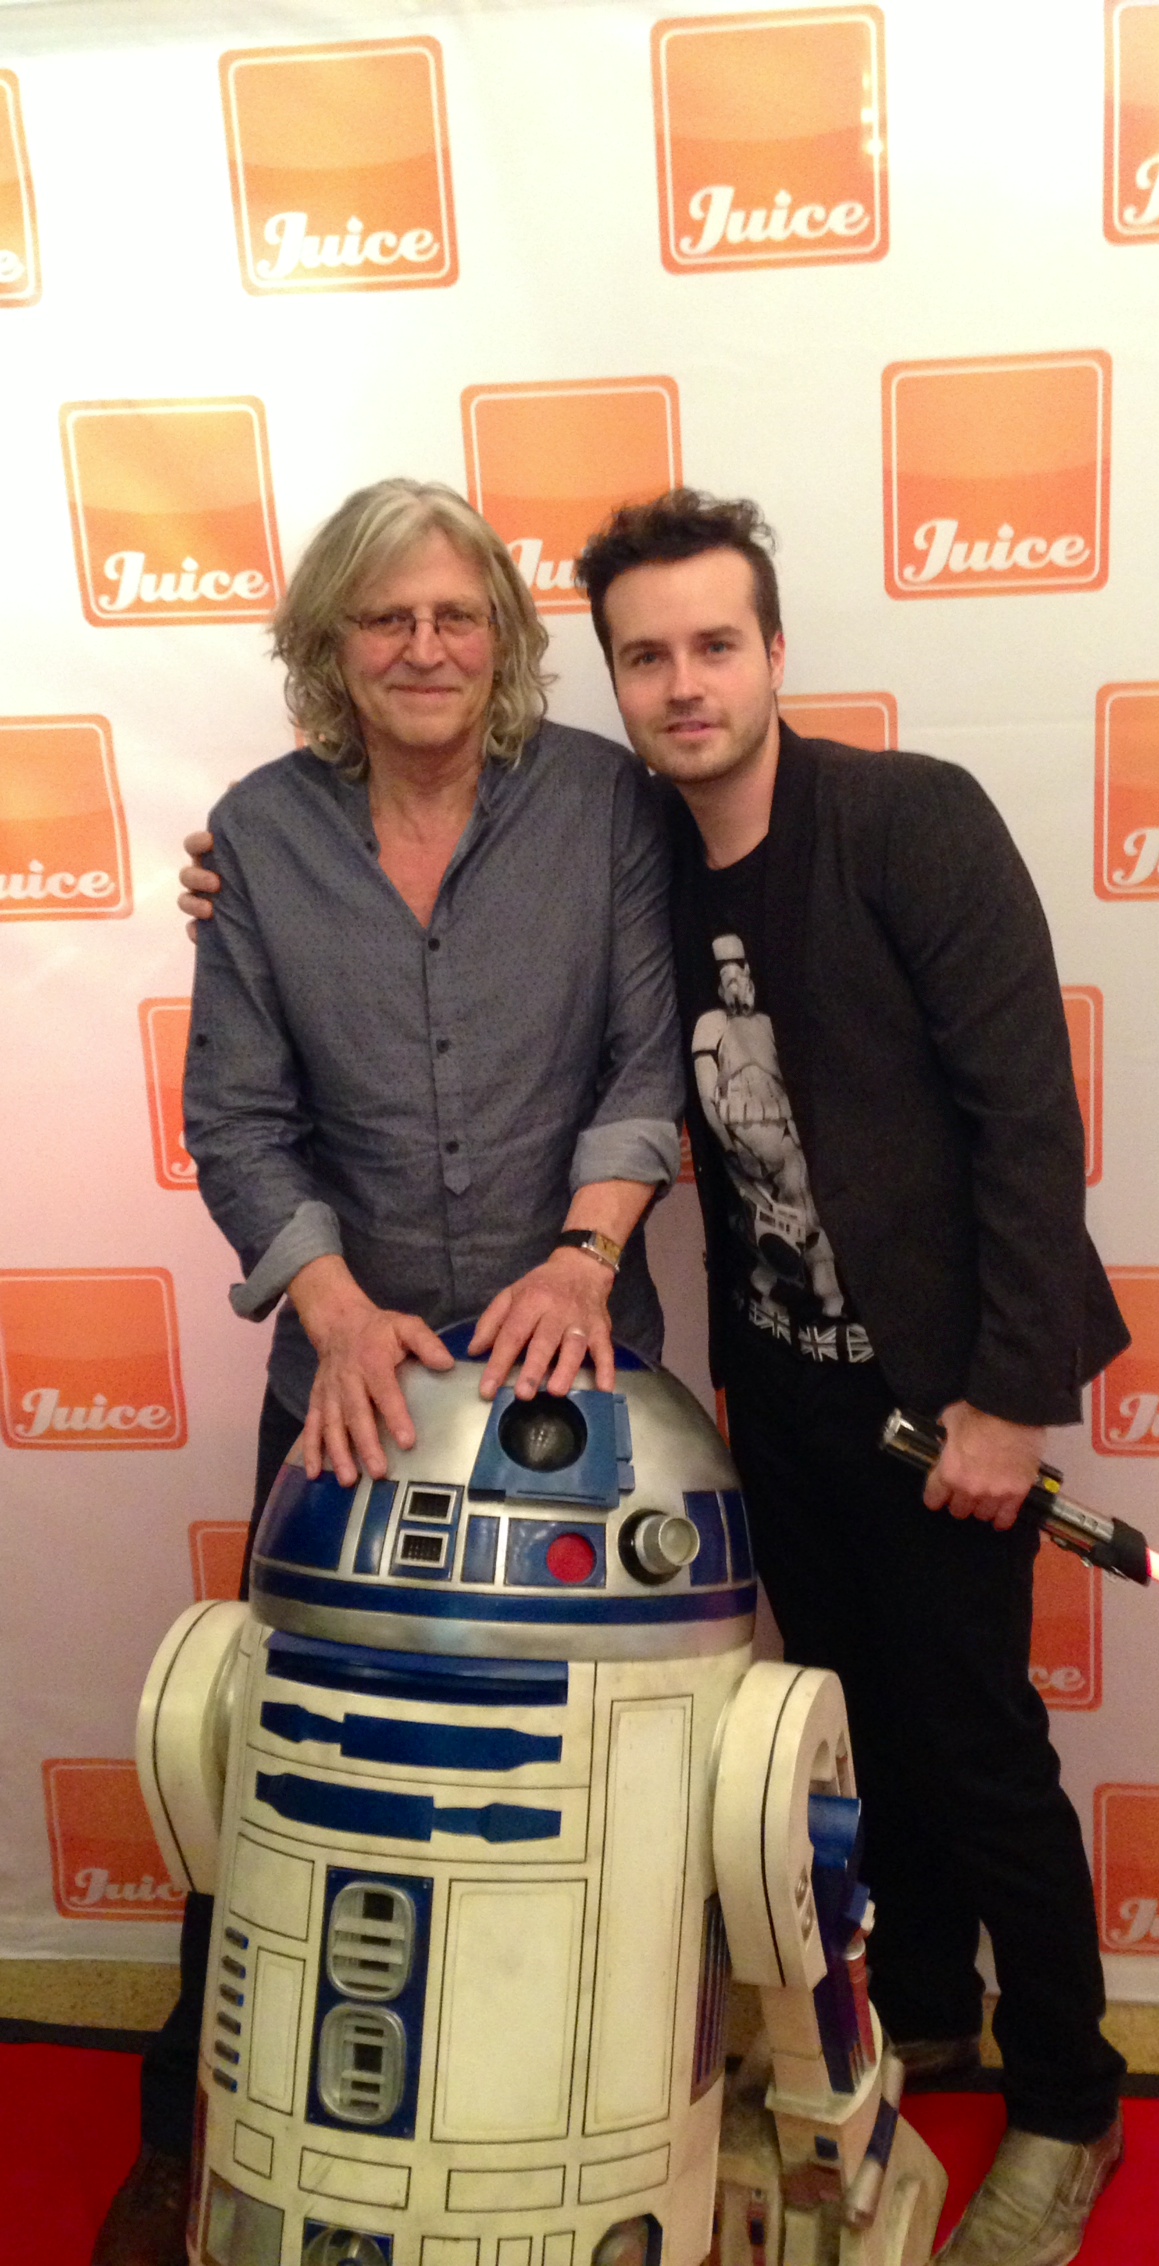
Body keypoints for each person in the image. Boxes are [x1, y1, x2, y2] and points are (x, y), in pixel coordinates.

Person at [94, 478, 681, 2266]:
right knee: (288, 1767)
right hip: (343, 1388)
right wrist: (334, 1313)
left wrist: (585, 1257)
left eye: (458, 615)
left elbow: (643, 1053)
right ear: (329, 645)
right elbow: (239, 1114)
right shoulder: (256, 838)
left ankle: (586, 2108)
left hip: (575, 1389)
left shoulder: (602, 810)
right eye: (385, 618)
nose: (425, 647)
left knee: (593, 1786)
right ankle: (198, 2133)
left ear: (503, 639)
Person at [573, 490, 1131, 2266]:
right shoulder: (635, 866)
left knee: (976, 1747)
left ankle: (1068, 2097)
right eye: (645, 655)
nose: (684, 683)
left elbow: (1027, 1125)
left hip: (947, 1393)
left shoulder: (909, 819)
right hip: (787, 1403)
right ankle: (938, 2017)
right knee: (848, 1749)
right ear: (616, 679)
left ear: (776, 652)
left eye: (713, 643)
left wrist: (1010, 1399)